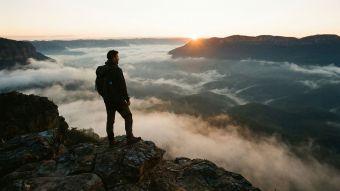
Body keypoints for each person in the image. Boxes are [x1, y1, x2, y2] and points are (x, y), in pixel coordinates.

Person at [97, 49, 141, 146]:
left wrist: (105, 96)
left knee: (110, 120)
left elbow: (98, 86)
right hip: (118, 100)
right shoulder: (117, 70)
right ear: (113, 58)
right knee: (128, 116)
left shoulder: (101, 70)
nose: (118, 58)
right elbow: (122, 86)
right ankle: (130, 138)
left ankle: (111, 141)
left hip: (107, 100)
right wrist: (127, 98)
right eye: (117, 57)